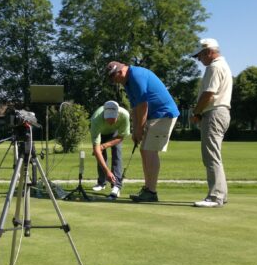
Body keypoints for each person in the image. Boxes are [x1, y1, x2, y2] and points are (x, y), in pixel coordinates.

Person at [106, 61, 180, 202]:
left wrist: (140, 129)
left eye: (113, 78)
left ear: (120, 72)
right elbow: (135, 108)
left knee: (149, 150)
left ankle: (151, 191)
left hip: (163, 114)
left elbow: (143, 105)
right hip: (154, 116)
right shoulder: (127, 82)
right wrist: (135, 130)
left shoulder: (136, 76)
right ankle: (148, 189)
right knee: (144, 150)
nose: (113, 81)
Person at [190, 38, 233, 208]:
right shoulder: (223, 65)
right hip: (220, 113)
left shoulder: (214, 67)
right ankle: (220, 195)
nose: (199, 60)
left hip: (214, 113)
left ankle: (216, 196)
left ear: (208, 52)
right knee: (214, 155)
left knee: (211, 156)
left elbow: (209, 94)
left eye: (199, 56)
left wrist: (196, 112)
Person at [90, 100, 130, 199]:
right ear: (104, 113)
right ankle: (102, 182)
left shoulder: (125, 115)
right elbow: (96, 150)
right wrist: (107, 171)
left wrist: (103, 146)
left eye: (113, 118)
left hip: (116, 134)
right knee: (100, 155)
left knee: (117, 154)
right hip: (101, 132)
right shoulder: (96, 119)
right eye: (108, 118)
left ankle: (116, 186)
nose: (111, 121)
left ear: (118, 113)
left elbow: (120, 137)